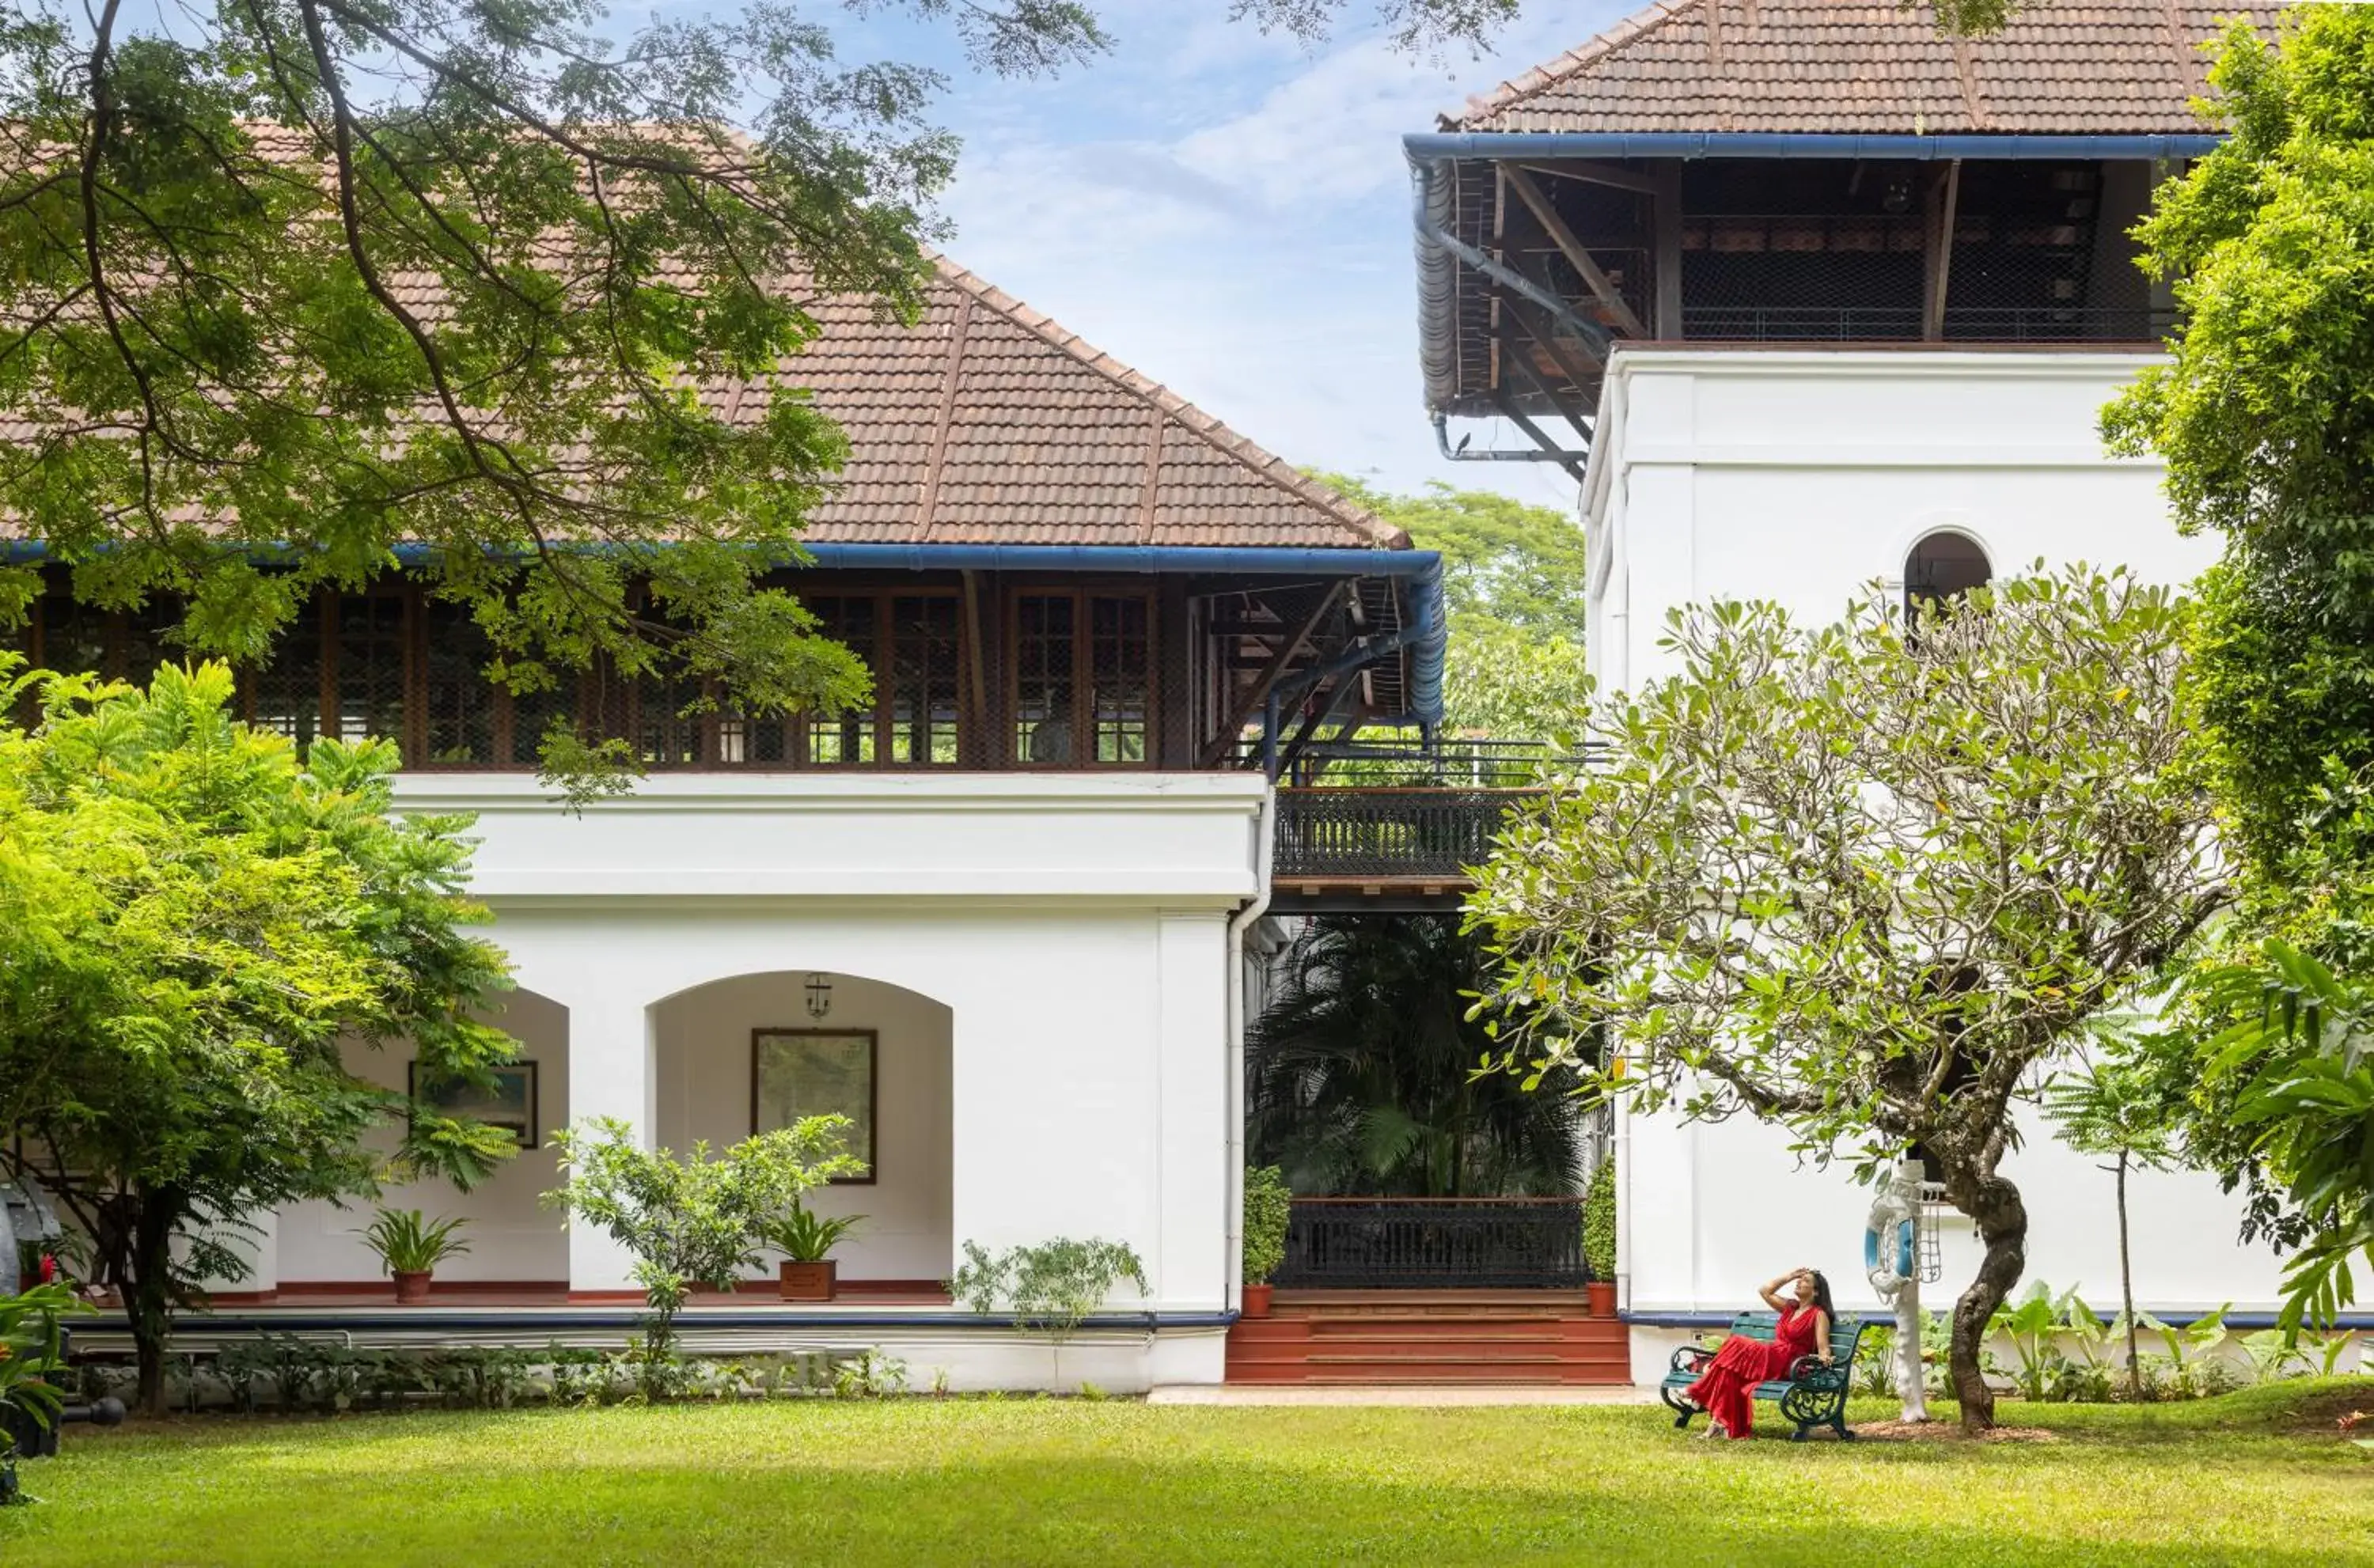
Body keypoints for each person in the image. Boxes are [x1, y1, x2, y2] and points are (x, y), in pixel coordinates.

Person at [1682, 1266, 1834, 1440]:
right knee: (1729, 1371)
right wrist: (1790, 1276)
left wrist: (1825, 1357)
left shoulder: (1819, 1314)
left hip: (1787, 1363)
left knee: (1736, 1342)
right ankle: (1717, 1424)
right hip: (1774, 1356)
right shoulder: (1791, 1307)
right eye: (1799, 1279)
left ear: (1816, 1292)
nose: (1799, 1282)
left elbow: (1823, 1347)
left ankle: (1700, 1390)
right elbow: (1765, 1291)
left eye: (1805, 1280)